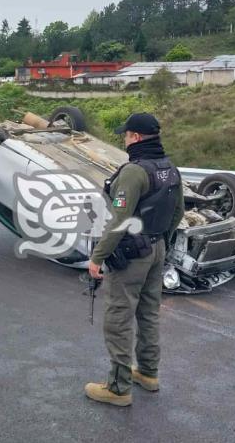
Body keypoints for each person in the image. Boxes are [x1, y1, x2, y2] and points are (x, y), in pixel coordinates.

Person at [84, 113, 184, 407]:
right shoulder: (170, 168)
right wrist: (159, 240)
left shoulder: (134, 172)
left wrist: (97, 258)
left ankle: (118, 387)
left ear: (136, 137)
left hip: (130, 255)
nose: (123, 140)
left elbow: (118, 221)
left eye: (125, 135)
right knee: (149, 313)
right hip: (157, 248)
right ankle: (149, 374)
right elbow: (177, 213)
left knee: (119, 317)